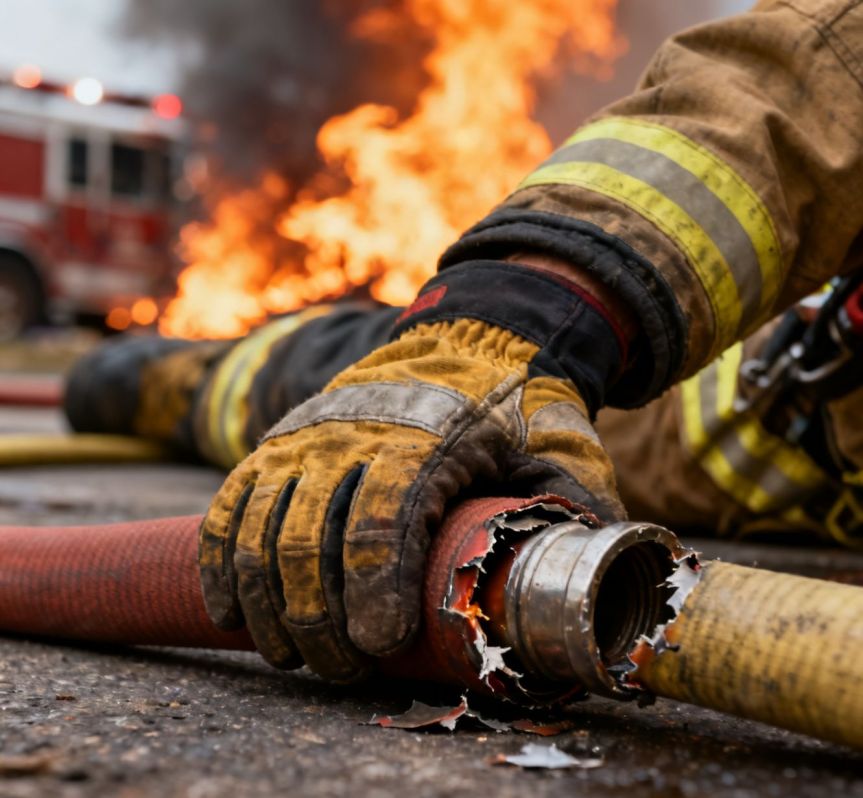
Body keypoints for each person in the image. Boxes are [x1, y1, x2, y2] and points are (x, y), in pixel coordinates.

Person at [65, 0, 863, 683]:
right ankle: (172, 381)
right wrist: (519, 320)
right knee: (411, 415)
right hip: (779, 417)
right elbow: (808, 86)